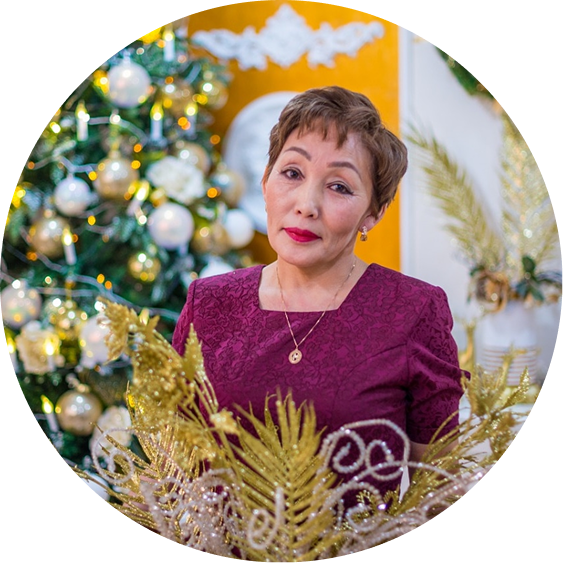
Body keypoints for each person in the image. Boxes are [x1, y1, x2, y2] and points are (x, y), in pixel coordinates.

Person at [172, 85, 467, 502]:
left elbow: (438, 491)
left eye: (339, 187)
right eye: (292, 173)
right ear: (266, 181)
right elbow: (172, 465)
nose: (306, 204)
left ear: (373, 213)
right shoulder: (208, 303)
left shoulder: (414, 311)